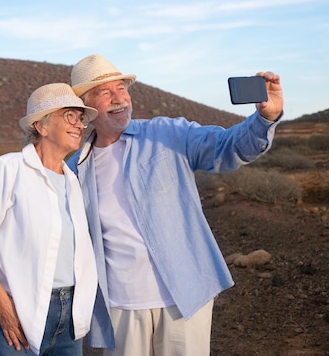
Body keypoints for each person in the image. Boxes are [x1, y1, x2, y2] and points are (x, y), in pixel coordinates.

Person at [66, 54, 284, 356]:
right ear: (85, 108)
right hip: (120, 303)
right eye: (105, 92)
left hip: (184, 295)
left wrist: (264, 119)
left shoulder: (167, 133)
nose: (119, 99)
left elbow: (227, 147)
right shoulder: (74, 167)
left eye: (122, 88)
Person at [0, 83, 99, 356]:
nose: (80, 124)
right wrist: (3, 306)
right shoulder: (8, 169)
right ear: (41, 126)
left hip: (67, 318)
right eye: (70, 115)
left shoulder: (73, 180)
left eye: (81, 118)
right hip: (15, 313)